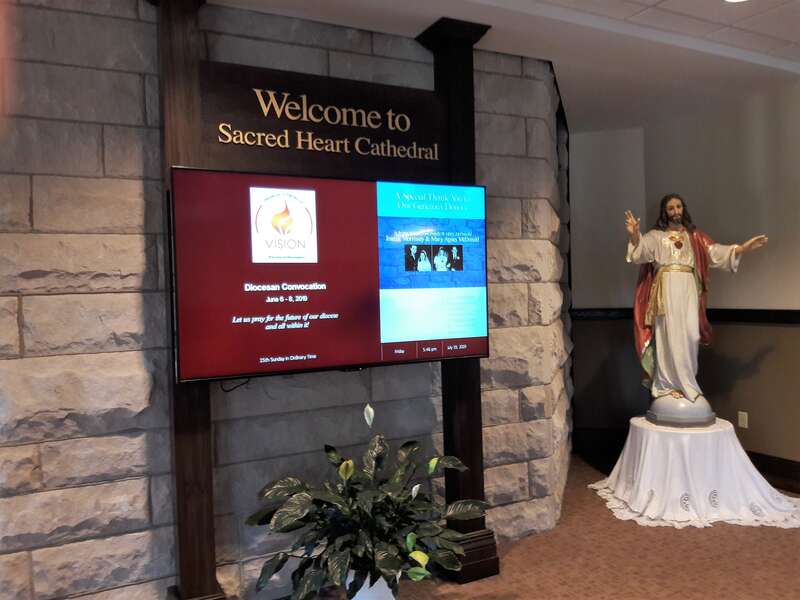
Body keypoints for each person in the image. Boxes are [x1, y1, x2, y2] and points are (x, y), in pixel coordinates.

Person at [625, 194, 767, 424]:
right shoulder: (656, 236)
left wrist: (742, 248)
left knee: (691, 334)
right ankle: (666, 386)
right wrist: (633, 234)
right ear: (664, 211)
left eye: (678, 206)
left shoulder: (695, 237)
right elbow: (640, 251)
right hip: (665, 289)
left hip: (689, 288)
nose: (675, 211)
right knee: (668, 334)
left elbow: (716, 252)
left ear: (684, 209)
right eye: (670, 207)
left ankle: (688, 382)